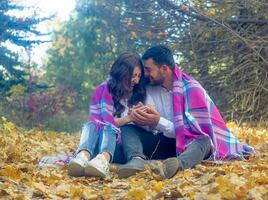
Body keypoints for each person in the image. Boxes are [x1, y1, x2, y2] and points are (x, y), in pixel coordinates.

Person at [117, 45, 254, 179]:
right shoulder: (148, 87)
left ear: (164, 68)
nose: (145, 75)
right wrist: (139, 117)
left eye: (148, 70)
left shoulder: (192, 89)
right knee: (128, 129)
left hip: (188, 146)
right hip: (162, 143)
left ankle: (177, 165)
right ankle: (136, 160)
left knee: (204, 141)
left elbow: (196, 133)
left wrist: (158, 122)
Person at [68, 52, 146, 179]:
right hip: (98, 142)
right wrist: (128, 118)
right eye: (133, 76)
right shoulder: (104, 90)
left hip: (118, 146)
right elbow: (102, 122)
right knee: (91, 125)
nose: (137, 80)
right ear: (123, 74)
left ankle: (102, 160)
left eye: (139, 76)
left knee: (108, 127)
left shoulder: (136, 93)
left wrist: (134, 116)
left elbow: (111, 125)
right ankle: (83, 156)